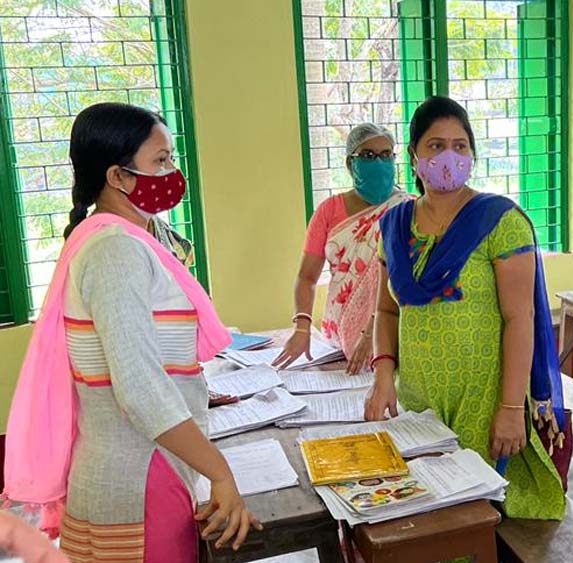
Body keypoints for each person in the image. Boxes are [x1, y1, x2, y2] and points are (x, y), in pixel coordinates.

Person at [2, 102, 260, 562]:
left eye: (171, 158)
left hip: (147, 465)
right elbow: (139, 390)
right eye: (160, 161)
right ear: (118, 177)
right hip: (138, 475)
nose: (172, 172)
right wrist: (220, 473)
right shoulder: (114, 252)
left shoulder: (124, 238)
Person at [364, 96, 567, 519]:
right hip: (417, 395)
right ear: (414, 156)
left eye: (460, 146)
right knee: (423, 509)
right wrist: (383, 375)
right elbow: (387, 312)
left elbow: (520, 318)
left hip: (482, 398)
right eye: (436, 146)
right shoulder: (395, 227)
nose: (449, 157)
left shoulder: (498, 221)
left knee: (474, 512)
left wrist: (510, 409)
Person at [273, 123, 411, 374]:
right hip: (337, 341)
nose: (378, 162)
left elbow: (407, 281)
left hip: (393, 335)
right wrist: (302, 327)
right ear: (350, 163)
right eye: (368, 155)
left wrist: (374, 329)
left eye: (385, 155)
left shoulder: (409, 209)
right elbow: (307, 277)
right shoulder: (329, 210)